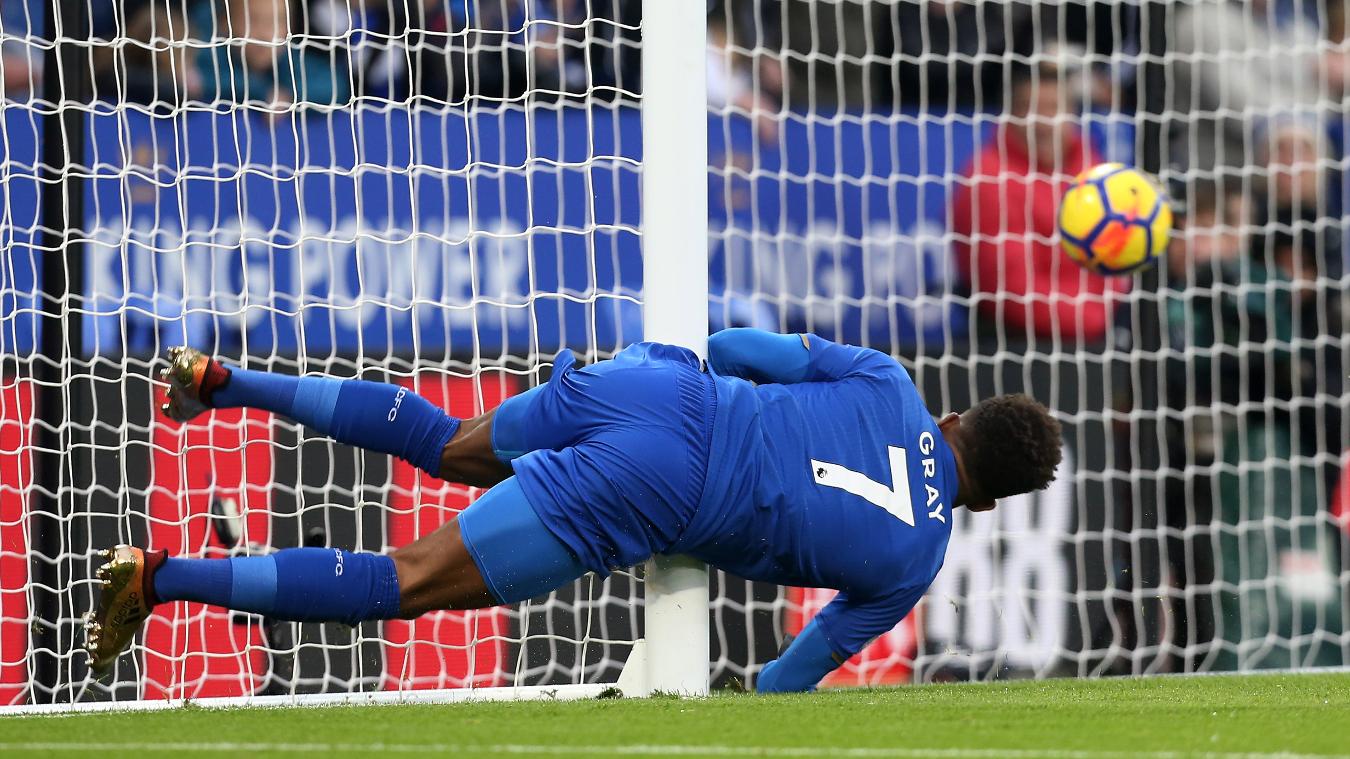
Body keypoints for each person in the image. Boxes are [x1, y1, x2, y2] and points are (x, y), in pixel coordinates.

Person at [83, 329, 1062, 692]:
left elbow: (735, 348)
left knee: (445, 443)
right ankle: (161, 580)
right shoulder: (911, 564)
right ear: (985, 501)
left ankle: (226, 381)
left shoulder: (888, 380)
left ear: (956, 416)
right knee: (403, 583)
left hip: (657, 392)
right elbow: (785, 678)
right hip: (658, 491)